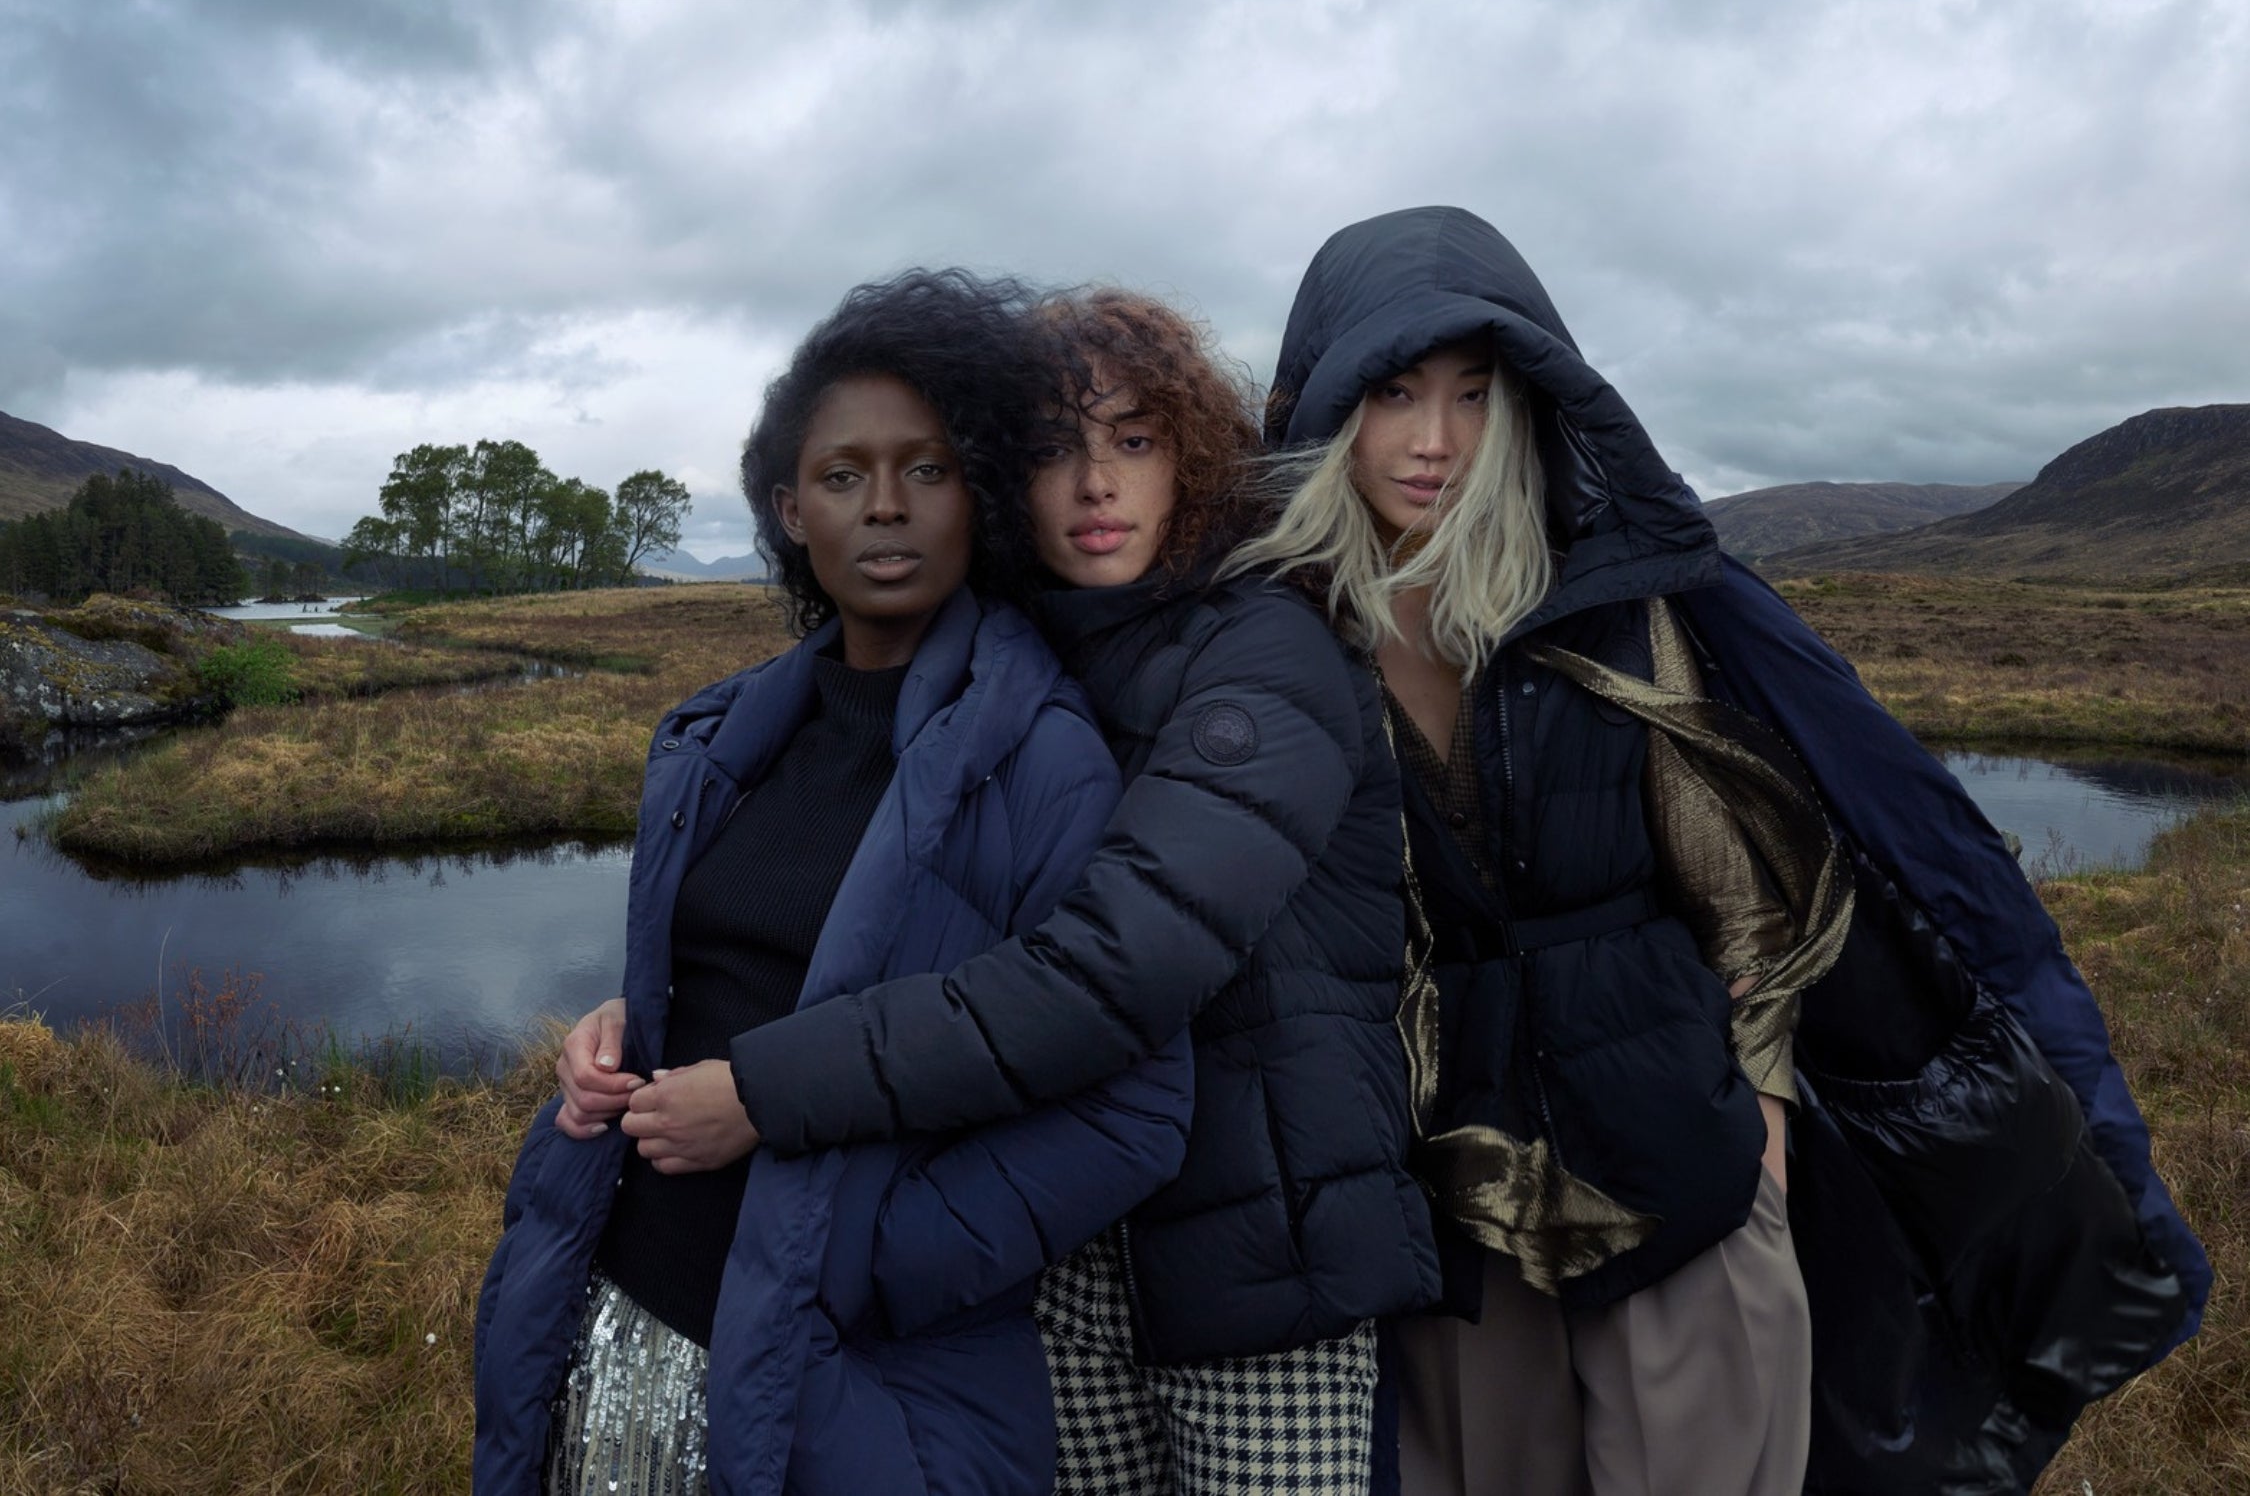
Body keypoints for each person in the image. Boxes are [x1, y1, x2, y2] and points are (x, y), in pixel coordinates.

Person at [1241, 205, 2209, 1495]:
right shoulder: (1285, 644)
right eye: (1395, 392)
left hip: (1681, 1179)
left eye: (1475, 394)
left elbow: (1752, 896)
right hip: (1450, 1214)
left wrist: (1755, 1124)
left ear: (1529, 400)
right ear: (1326, 405)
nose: (1434, 441)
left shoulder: (1621, 611)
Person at [472, 269, 1193, 1496]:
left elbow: (1132, 1116)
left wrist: (860, 1259)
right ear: (790, 510)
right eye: (845, 476)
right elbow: (726, 976)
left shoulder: (1046, 760)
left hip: (841, 1376)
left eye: (927, 468)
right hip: (611, 1319)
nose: (888, 508)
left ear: (980, 494)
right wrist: (621, 1025)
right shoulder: (721, 739)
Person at [718, 287, 1440, 1494]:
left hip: (1267, 1259)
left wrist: (765, 1086)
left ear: (1192, 459)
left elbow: (1121, 963)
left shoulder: (1264, 649)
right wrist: (655, 1013)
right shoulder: (1007, 665)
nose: (1097, 482)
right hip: (1058, 1261)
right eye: (1055, 446)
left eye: (1135, 441)